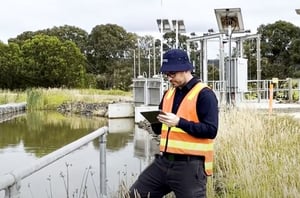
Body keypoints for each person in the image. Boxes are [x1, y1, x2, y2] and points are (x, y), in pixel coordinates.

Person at [129, 49, 219, 198]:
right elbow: (161, 129)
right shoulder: (168, 93)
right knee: (135, 195)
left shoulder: (204, 94)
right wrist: (155, 124)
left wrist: (179, 122)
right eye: (166, 75)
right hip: (164, 162)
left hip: (190, 166)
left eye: (172, 74)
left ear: (185, 69)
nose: (169, 78)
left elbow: (211, 130)